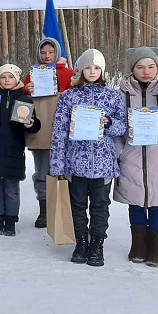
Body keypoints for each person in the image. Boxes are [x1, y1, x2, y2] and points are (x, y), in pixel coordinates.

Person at [50, 49, 126, 266]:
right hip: (76, 163)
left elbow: (122, 126)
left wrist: (109, 123)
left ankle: (97, 244)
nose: (92, 71)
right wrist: (58, 163)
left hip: (103, 164)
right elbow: (59, 131)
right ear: (81, 69)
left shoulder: (112, 96)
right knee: (77, 204)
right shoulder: (70, 97)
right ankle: (81, 242)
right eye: (88, 67)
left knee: (101, 205)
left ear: (102, 70)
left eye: (96, 67)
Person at [113, 47, 158, 267]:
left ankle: (157, 249)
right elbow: (116, 128)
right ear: (132, 69)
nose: (146, 71)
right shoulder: (121, 93)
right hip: (131, 157)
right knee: (134, 204)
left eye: (151, 66)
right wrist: (119, 152)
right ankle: (138, 246)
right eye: (140, 67)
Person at [0, 64, 41, 236]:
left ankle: (10, 220)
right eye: (3, 77)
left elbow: (33, 126)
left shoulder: (25, 100)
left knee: (11, 189)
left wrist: (31, 124)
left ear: (17, 78)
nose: (7, 80)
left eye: (10, 77)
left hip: (14, 152)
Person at [24, 37, 77, 228]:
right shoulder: (32, 75)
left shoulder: (70, 74)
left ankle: (66, 209)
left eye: (51, 52)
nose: (47, 56)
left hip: (65, 133)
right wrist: (26, 90)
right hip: (41, 131)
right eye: (44, 52)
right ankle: (44, 211)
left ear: (57, 53)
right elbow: (24, 105)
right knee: (42, 173)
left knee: (67, 173)